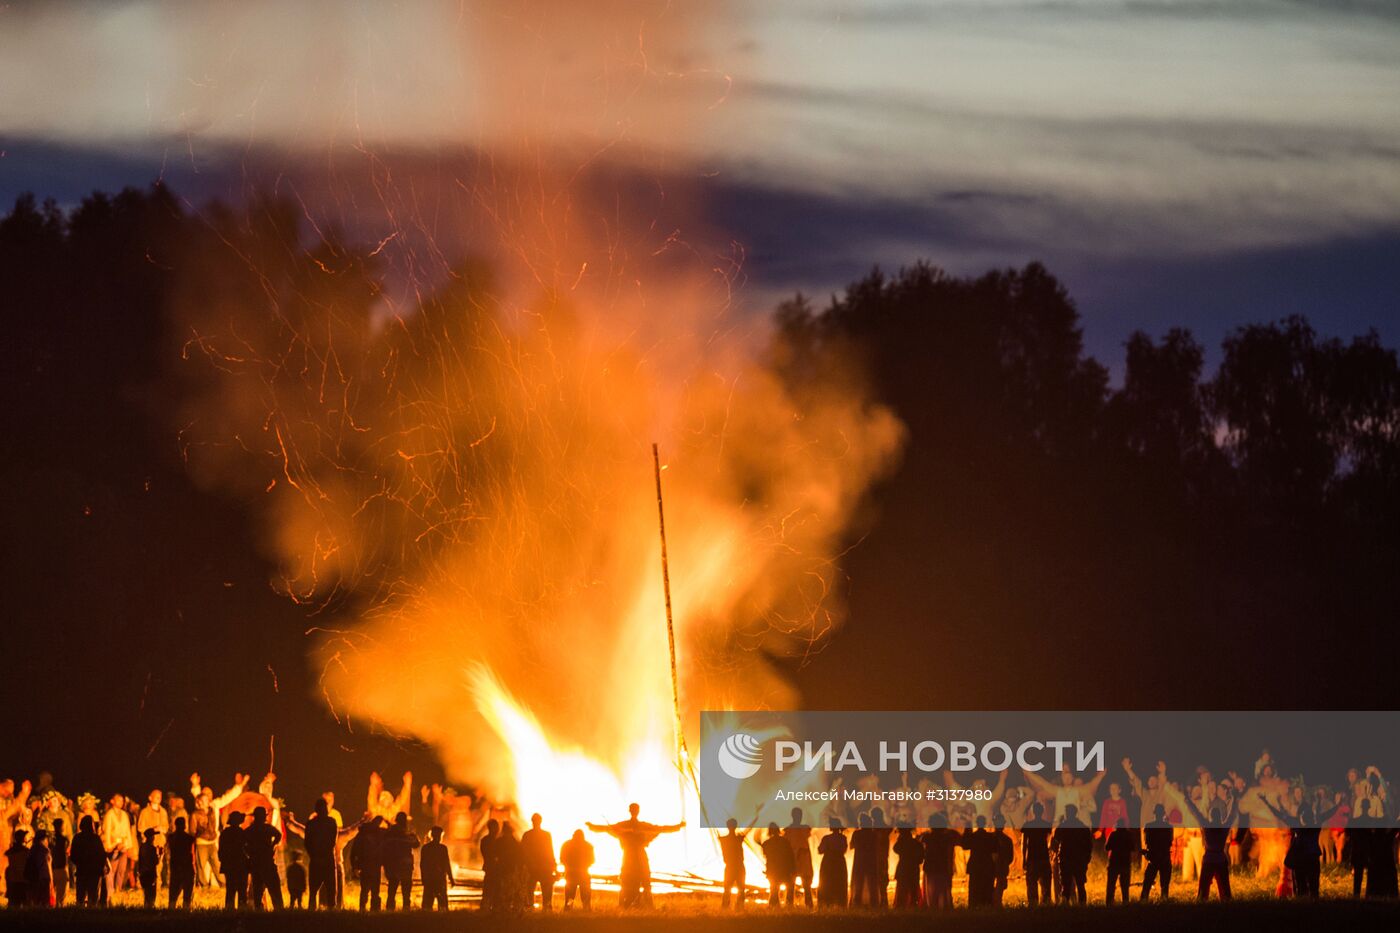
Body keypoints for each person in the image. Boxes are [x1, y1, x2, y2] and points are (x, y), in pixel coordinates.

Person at [586, 803, 684, 908]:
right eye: (634, 810)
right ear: (634, 811)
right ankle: (630, 904)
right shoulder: (630, 826)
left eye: (635, 809)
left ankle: (637, 904)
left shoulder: (635, 826)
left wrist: (677, 826)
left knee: (638, 880)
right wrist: (592, 827)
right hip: (633, 856)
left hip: (634, 856)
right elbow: (606, 828)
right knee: (633, 880)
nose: (634, 812)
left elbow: (661, 829)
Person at [1261, 794, 1339, 898]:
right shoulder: (1314, 824)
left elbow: (1280, 814)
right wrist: (1335, 804)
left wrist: (1267, 803)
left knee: (1305, 885)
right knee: (1310, 885)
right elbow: (1327, 814)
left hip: (1304, 859)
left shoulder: (1299, 824)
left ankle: (1305, 902)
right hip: (1309, 858)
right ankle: (1307, 902)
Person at [1178, 786, 1237, 900]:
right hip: (1220, 858)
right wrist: (1234, 799)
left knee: (1203, 890)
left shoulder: (1206, 825)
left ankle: (1202, 902)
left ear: (1211, 816)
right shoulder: (1224, 826)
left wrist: (1187, 799)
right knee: (1225, 888)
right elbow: (1232, 814)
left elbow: (1195, 812)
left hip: (1209, 858)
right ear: (1220, 817)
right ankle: (1226, 902)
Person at [243, 807, 283, 910]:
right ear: (264, 817)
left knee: (257, 890)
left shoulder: (249, 830)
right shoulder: (267, 828)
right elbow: (278, 835)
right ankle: (279, 912)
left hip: (255, 863)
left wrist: (249, 852)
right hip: (267, 862)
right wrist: (273, 845)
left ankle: (259, 911)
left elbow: (242, 843)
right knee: (274, 889)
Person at [1051, 804, 1092, 904]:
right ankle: (1082, 907)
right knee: (1080, 885)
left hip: (1066, 859)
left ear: (1067, 813)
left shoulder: (1062, 827)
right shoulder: (1083, 827)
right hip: (1079, 860)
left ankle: (1065, 907)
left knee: (1065, 886)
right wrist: (1087, 857)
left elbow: (1055, 840)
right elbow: (1089, 845)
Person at [920, 813, 958, 910]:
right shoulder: (948, 837)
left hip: (932, 867)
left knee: (931, 890)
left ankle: (932, 906)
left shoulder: (927, 837)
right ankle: (943, 906)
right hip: (942, 867)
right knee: (943, 889)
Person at [382, 811, 419, 910]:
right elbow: (416, 844)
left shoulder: (390, 832)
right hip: (404, 865)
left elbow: (384, 847)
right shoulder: (406, 833)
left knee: (392, 889)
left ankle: (390, 910)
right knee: (406, 891)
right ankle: (406, 909)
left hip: (393, 865)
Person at [521, 812, 556, 910]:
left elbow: (523, 852)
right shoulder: (546, 835)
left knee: (529, 890)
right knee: (546, 890)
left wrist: (525, 865)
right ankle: (546, 908)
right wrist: (553, 865)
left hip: (532, 867)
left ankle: (529, 908)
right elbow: (550, 851)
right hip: (544, 868)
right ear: (541, 821)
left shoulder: (527, 835)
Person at [70, 816, 108, 906]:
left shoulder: (77, 838)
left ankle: (80, 915)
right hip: (93, 872)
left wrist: (80, 863)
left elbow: (73, 855)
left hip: (82, 871)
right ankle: (92, 915)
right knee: (93, 896)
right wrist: (101, 867)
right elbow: (102, 855)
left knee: (80, 897)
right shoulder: (95, 838)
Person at [101, 794, 133, 897]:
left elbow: (128, 830)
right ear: (112, 801)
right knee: (112, 869)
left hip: (123, 845)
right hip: (114, 845)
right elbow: (107, 830)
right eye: (118, 800)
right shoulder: (109, 814)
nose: (121, 802)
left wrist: (128, 845)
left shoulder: (124, 814)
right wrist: (109, 845)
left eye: (122, 801)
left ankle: (119, 889)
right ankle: (110, 891)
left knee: (122, 869)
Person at [1020, 802, 1053, 906]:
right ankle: (1046, 904)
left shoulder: (1028, 826)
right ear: (1042, 811)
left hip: (1032, 858)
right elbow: (1050, 841)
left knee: (1031, 884)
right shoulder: (1046, 825)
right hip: (1043, 857)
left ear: (1033, 811)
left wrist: (1024, 860)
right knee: (1046, 884)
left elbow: (1024, 844)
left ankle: (1033, 904)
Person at [1140, 803, 1174, 900]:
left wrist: (1146, 853)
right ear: (1163, 814)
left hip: (1153, 857)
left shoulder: (1149, 826)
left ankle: (1143, 901)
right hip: (1164, 857)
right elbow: (1169, 842)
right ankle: (1164, 901)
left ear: (1154, 814)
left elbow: (1147, 842)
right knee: (1164, 885)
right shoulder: (1169, 827)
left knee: (1147, 883)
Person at [963, 814, 998, 907]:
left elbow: (965, 845)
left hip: (975, 866)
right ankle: (987, 906)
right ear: (985, 823)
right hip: (987, 866)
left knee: (975, 889)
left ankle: (974, 907)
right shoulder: (989, 837)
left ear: (977, 824)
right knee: (987, 889)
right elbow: (995, 849)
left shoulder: (974, 837)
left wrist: (967, 829)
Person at [352, 815, 385, 911]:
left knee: (364, 890)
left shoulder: (361, 834)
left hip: (365, 866)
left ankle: (362, 910)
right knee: (375, 891)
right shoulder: (379, 834)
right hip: (374, 866)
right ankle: (374, 911)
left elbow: (354, 851)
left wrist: (354, 866)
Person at [420, 825, 456, 911]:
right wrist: (451, 878)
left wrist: (424, 878)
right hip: (439, 879)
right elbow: (447, 864)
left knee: (427, 905)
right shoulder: (442, 848)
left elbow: (423, 865)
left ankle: (426, 920)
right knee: (442, 904)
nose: (439, 837)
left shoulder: (426, 848)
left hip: (430, 879)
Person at [218, 811, 249, 909]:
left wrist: (224, 860)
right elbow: (246, 848)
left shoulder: (225, 833)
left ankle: (229, 909)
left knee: (230, 889)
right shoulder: (242, 833)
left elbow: (221, 850)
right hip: (241, 864)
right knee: (242, 889)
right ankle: (242, 908)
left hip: (229, 865)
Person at [785, 807, 815, 908]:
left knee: (806, 884)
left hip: (803, 859)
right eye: (797, 815)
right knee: (790, 884)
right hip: (793, 859)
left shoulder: (803, 828)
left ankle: (808, 904)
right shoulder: (789, 830)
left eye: (799, 815)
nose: (799, 817)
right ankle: (789, 905)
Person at [761, 822, 796, 907]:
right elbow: (790, 856)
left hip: (773, 869)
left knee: (774, 889)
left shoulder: (767, 843)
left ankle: (774, 906)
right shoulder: (785, 841)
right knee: (789, 887)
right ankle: (789, 905)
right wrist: (793, 868)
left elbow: (766, 855)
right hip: (784, 869)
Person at [848, 812, 879, 907]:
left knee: (858, 882)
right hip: (871, 859)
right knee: (872, 882)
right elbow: (877, 846)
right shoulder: (874, 834)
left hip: (860, 860)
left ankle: (857, 902)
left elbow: (851, 846)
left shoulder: (857, 833)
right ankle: (874, 902)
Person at [559, 829, 594, 910]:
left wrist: (568, 866)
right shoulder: (588, 845)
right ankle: (586, 910)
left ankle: (568, 909)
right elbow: (592, 860)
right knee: (585, 896)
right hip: (584, 874)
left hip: (571, 874)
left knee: (570, 895)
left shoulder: (566, 844)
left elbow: (562, 858)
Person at [817, 819, 848, 909]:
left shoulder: (826, 838)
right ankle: (840, 903)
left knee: (826, 882)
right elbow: (844, 849)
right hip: (839, 862)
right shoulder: (843, 838)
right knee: (839, 882)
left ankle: (826, 903)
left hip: (828, 862)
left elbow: (820, 850)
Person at [166, 815, 196, 908]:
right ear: (184, 825)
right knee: (187, 891)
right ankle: (186, 910)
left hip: (175, 866)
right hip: (186, 866)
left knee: (174, 891)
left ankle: (171, 909)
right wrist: (194, 866)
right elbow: (192, 852)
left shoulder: (171, 837)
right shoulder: (189, 838)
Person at [718, 818, 748, 909]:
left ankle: (725, 907)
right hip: (739, 866)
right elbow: (749, 828)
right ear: (735, 826)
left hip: (730, 866)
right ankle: (739, 907)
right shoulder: (739, 838)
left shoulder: (723, 839)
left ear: (727, 826)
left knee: (727, 889)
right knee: (741, 888)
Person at [1104, 817, 1135, 903]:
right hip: (1125, 863)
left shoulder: (1113, 834)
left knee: (1110, 886)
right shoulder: (1129, 835)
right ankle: (1125, 903)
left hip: (1114, 863)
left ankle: (1109, 904)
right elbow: (1133, 848)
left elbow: (1107, 847)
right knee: (1125, 887)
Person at [1347, 798, 1374, 896]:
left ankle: (1356, 895)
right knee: (1371, 875)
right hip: (1367, 851)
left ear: (1361, 807)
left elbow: (1349, 834)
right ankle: (1369, 894)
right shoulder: (1372, 822)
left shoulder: (1355, 822)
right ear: (1369, 808)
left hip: (1358, 851)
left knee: (1358, 877)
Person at [892, 825, 922, 908]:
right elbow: (921, 858)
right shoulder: (916, 843)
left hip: (903, 867)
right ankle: (913, 904)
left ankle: (901, 904)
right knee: (913, 887)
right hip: (913, 868)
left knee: (902, 887)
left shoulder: (901, 843)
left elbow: (895, 849)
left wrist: (900, 840)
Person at [25, 830, 54, 907]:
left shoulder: (32, 849)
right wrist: (51, 882)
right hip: (44, 878)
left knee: (36, 902)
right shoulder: (45, 850)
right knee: (45, 902)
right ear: (44, 839)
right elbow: (48, 867)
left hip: (34, 878)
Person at [4, 828, 29, 908]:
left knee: (13, 903)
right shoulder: (25, 851)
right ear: (22, 839)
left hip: (13, 880)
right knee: (23, 903)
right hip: (22, 880)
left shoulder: (11, 851)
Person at [137, 828, 160, 907]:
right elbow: (156, 862)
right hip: (150, 874)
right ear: (151, 837)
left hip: (143, 873)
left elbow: (140, 860)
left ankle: (146, 907)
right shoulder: (152, 849)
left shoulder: (142, 847)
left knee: (146, 893)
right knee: (151, 894)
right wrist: (159, 854)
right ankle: (150, 908)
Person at [49, 819, 69, 906]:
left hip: (52, 868)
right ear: (60, 827)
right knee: (61, 897)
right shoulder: (63, 840)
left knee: (53, 895)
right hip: (60, 868)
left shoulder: (51, 840)